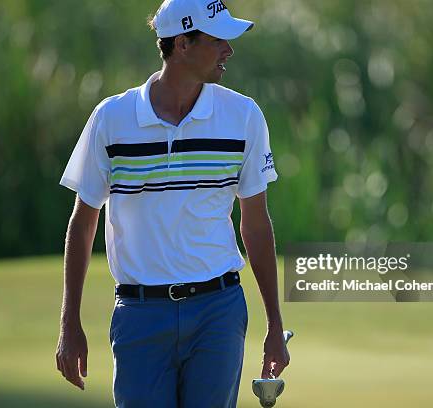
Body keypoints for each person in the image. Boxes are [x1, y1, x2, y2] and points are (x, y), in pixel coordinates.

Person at [55, 0, 289, 406]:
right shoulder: (112, 118)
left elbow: (254, 224)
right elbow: (84, 221)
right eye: (218, 40)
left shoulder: (244, 116)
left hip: (219, 311)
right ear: (182, 44)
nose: (228, 50)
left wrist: (274, 323)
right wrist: (69, 321)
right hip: (140, 315)